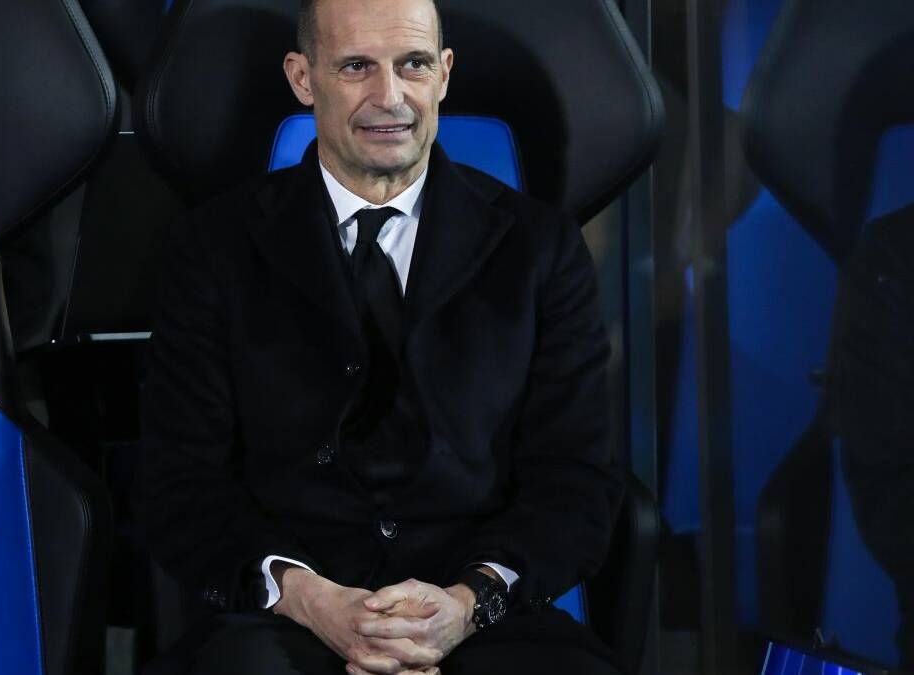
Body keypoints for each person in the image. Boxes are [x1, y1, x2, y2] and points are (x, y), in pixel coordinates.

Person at [136, 0, 625, 672]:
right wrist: (310, 598)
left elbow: (575, 481)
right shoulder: (211, 248)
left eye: (413, 64)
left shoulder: (542, 249)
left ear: (444, 74)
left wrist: (466, 604)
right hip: (285, 619)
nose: (389, 96)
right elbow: (180, 481)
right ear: (303, 78)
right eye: (356, 67)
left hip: (483, 619)